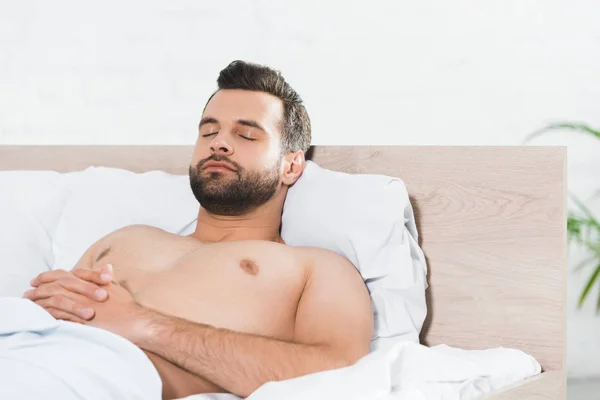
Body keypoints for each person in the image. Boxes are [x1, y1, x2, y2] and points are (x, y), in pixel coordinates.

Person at [23, 60, 373, 399]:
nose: (218, 142)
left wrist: (139, 322)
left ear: (292, 166)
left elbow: (338, 372)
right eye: (208, 131)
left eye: (247, 134)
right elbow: (55, 314)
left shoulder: (316, 267)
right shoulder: (125, 238)